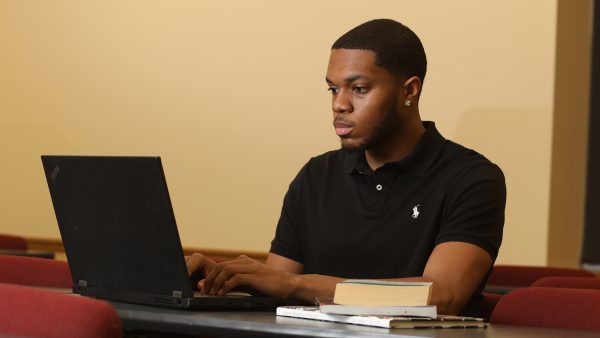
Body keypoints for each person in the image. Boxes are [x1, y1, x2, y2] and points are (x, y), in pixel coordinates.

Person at [186, 18, 505, 316]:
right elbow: (276, 289)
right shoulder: (316, 175)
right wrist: (215, 276)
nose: (339, 103)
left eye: (359, 89)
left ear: (409, 90)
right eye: (333, 88)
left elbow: (442, 296)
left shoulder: (472, 179)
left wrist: (296, 285)